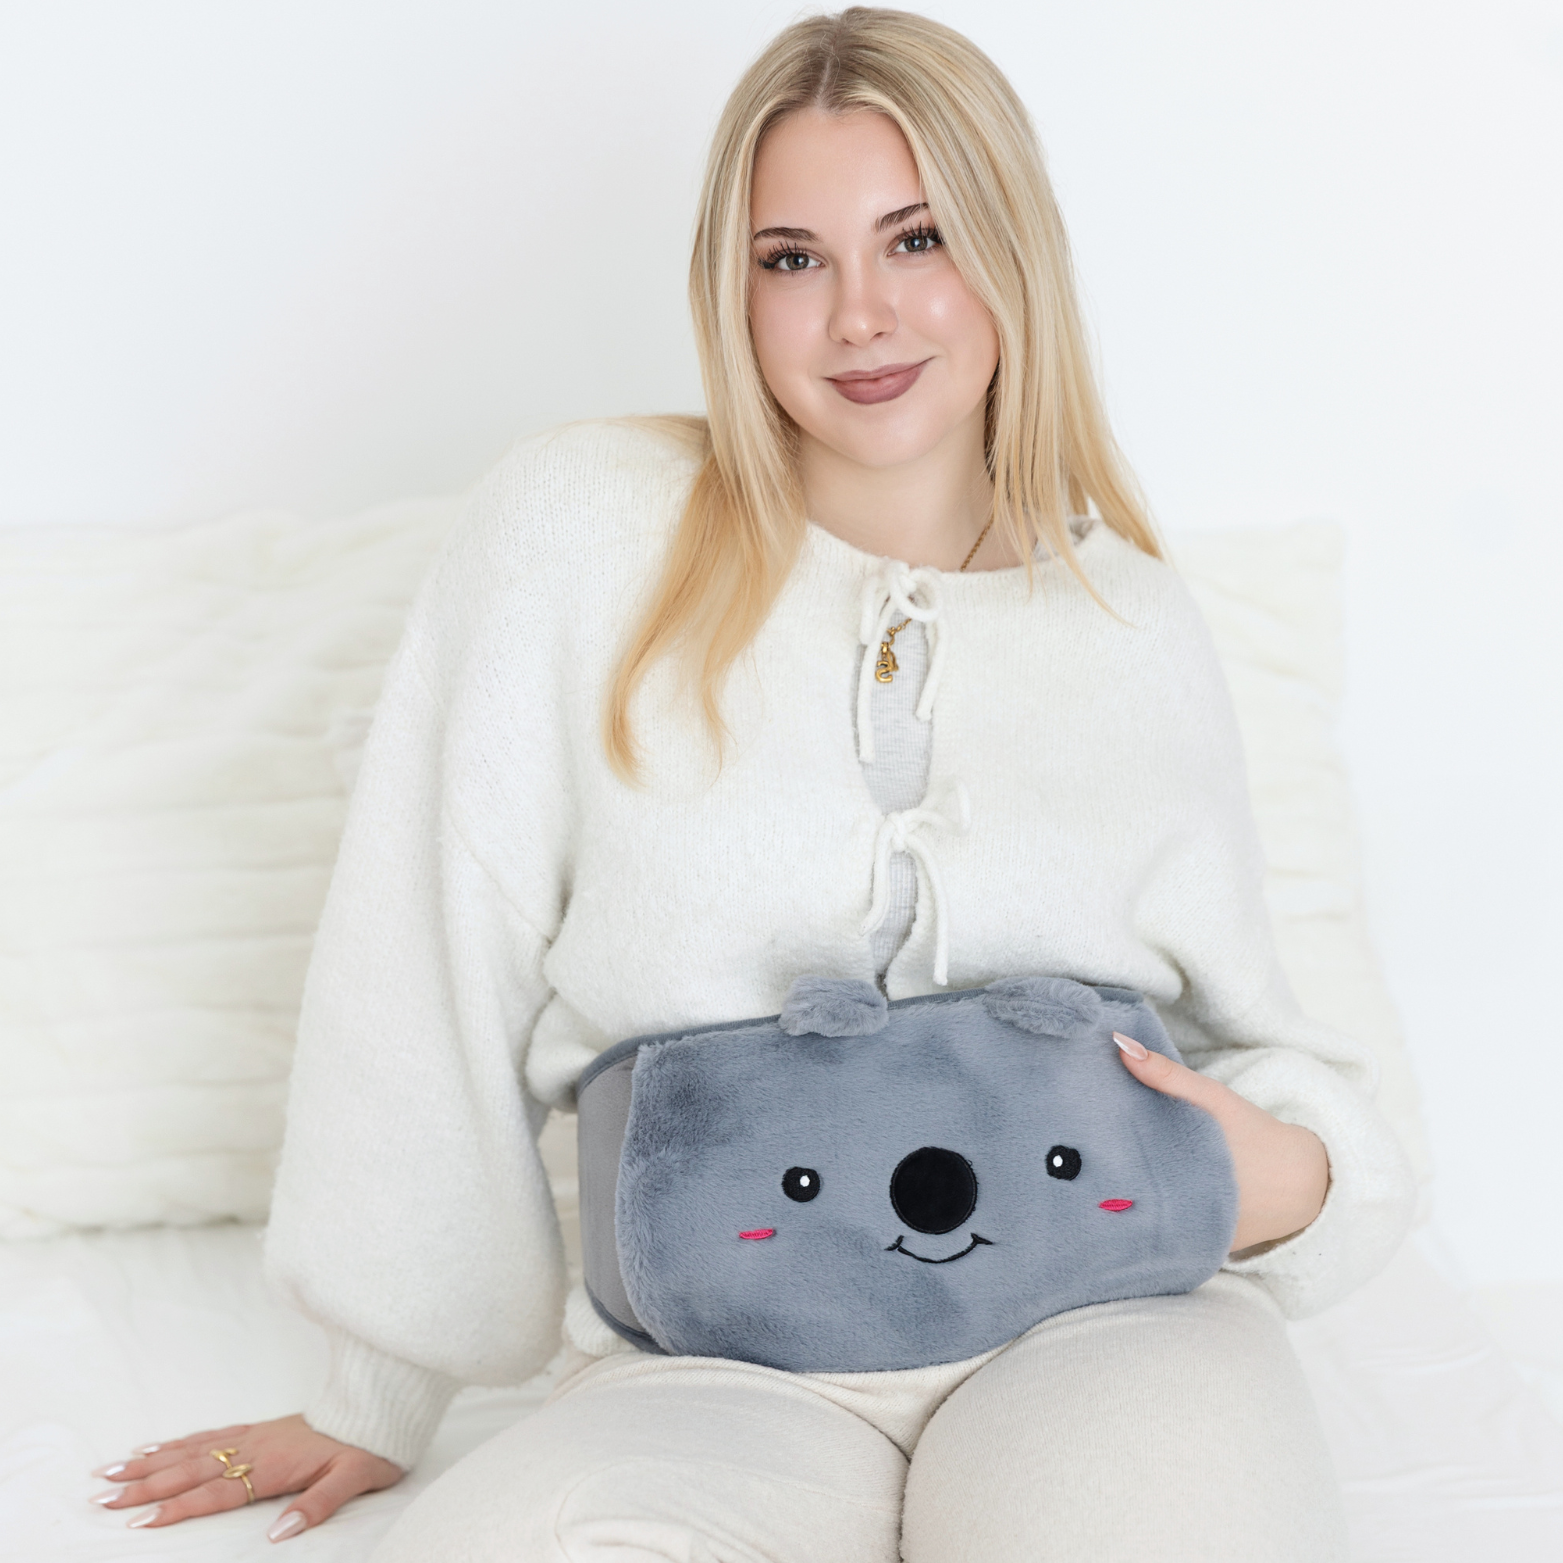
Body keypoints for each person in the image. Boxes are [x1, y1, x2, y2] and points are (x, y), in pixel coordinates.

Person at [86, 9, 1415, 1559]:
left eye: (916, 237)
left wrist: (1294, 1176)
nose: (859, 314)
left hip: (1109, 1320)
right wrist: (374, 1386)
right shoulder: (583, 530)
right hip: (716, 1361)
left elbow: (1279, 1037)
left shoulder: (1131, 621)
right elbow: (428, 949)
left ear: (1012, 250)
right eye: (792, 258)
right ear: (732, 290)